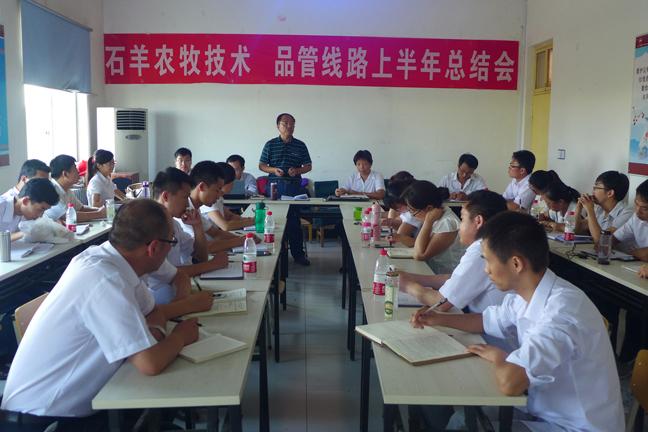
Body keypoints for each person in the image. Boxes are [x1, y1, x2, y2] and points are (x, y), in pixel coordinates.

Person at [410, 211, 624, 431]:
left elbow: (510, 383)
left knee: (462, 423)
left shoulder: (561, 313)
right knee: (462, 414)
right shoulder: (528, 292)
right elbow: (485, 320)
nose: (486, 270)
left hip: (572, 426)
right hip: (541, 407)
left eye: (488, 261)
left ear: (516, 264)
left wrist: (499, 356)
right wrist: (438, 318)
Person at [0, 200, 200, 429]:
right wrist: (180, 336)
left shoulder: (115, 261)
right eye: (171, 242)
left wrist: (154, 334)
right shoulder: (104, 278)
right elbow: (150, 363)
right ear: (154, 248)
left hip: (82, 401)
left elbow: (153, 311)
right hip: (45, 417)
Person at [399, 190, 508, 314]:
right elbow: (453, 279)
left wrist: (408, 286)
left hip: (479, 323)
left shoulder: (482, 251)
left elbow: (441, 303)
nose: (460, 225)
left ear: (478, 221)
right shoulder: (493, 242)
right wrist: (410, 277)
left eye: (462, 219)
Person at [150, 167, 228, 304]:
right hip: (158, 299)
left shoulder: (174, 224)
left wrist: (197, 226)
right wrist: (214, 264)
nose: (187, 204)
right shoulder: (149, 226)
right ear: (166, 196)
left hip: (177, 291)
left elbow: (201, 258)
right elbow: (170, 273)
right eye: (185, 197)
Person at [259, 113, 311, 265]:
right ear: (278, 126)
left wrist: (298, 170)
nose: (289, 126)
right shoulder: (270, 144)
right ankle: (277, 255)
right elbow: (262, 165)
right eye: (285, 123)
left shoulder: (300, 145)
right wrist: (274, 170)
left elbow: (308, 166)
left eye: (292, 124)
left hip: (294, 187)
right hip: (275, 187)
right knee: (275, 221)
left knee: (294, 222)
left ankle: (298, 255)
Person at [188, 160, 256, 252]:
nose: (219, 195)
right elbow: (203, 247)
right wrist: (241, 240)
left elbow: (216, 233)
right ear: (202, 187)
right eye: (217, 190)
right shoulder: (186, 211)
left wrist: (246, 239)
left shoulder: (195, 209)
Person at [403, 180, 465, 274]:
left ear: (429, 208)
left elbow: (419, 255)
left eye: (412, 211)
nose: (412, 215)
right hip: (431, 271)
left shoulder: (447, 223)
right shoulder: (436, 216)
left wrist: (428, 222)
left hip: (444, 276)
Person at [575, 170, 632, 245]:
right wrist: (578, 208)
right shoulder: (599, 209)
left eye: (596, 188)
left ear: (610, 193)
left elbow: (602, 241)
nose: (592, 192)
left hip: (617, 252)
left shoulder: (626, 213)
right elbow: (575, 230)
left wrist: (590, 210)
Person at [44, 155, 106, 222]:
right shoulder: (51, 191)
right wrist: (99, 213)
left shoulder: (67, 189)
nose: (78, 171)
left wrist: (100, 210)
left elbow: (81, 208)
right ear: (65, 174)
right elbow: (68, 216)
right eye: (75, 168)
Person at [203, 162, 256, 231]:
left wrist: (250, 219)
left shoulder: (220, 197)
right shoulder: (210, 199)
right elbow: (225, 226)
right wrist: (253, 221)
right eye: (233, 182)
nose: (233, 185)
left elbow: (230, 216)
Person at [381, 178, 418, 247]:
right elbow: (398, 222)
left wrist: (397, 236)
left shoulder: (413, 213)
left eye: (399, 208)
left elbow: (399, 237)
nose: (399, 210)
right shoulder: (408, 211)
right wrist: (392, 223)